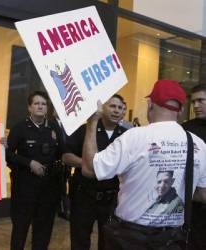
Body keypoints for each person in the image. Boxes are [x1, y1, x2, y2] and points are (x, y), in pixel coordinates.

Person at [82, 79, 206, 249]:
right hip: (172, 240)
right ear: (182, 110)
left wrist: (91, 122)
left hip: (129, 239)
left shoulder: (134, 137)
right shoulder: (198, 144)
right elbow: (203, 194)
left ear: (150, 104)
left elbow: (89, 169)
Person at [62, 94, 126, 250]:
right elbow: (66, 156)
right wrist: (89, 164)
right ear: (102, 108)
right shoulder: (85, 129)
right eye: (112, 106)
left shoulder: (126, 135)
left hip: (112, 200)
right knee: (79, 241)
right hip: (84, 197)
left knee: (108, 242)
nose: (116, 110)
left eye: (120, 107)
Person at [6, 91, 65, 250]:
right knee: (20, 228)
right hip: (25, 188)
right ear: (29, 108)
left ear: (47, 108)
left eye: (44, 104)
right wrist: (28, 163)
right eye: (36, 103)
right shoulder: (19, 128)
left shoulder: (54, 127)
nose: (40, 106)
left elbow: (62, 153)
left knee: (44, 230)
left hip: (49, 188)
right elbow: (8, 155)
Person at [182, 83, 206, 250]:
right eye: (193, 101)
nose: (196, 106)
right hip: (194, 206)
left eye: (201, 101)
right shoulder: (186, 129)